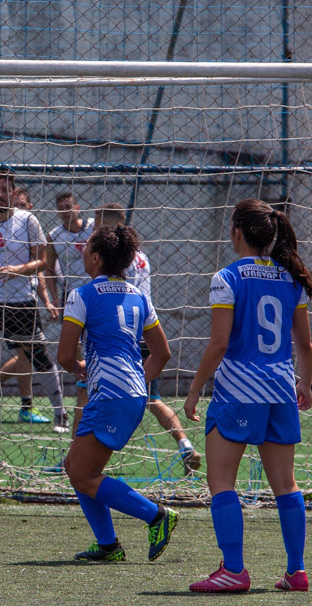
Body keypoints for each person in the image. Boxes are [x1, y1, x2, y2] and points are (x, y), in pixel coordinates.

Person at [184, 198, 312, 593]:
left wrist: (194, 390)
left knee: (222, 481)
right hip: (280, 390)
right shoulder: (292, 278)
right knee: (286, 486)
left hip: (239, 392)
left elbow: (219, 343)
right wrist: (304, 385)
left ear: (236, 232)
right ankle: (297, 572)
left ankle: (235, 571)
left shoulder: (227, 277)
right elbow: (305, 346)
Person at [58, 223, 179, 563]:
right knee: (76, 467)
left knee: (81, 474)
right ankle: (108, 545)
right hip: (132, 393)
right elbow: (162, 353)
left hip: (110, 395)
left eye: (85, 249)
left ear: (96, 257)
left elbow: (65, 356)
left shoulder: (81, 295)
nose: (82, 253)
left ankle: (156, 516)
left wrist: (79, 368)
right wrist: (136, 383)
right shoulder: (139, 295)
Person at [95, 203, 202, 475]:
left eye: (97, 220)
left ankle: (84, 455)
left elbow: (113, 294)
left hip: (120, 335)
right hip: (145, 330)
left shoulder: (115, 259)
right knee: (151, 399)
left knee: (92, 391)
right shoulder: (141, 256)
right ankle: (185, 444)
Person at [0, 171, 67, 430]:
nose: (0, 194)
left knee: (37, 357)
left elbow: (43, 261)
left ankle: (61, 413)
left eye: (5, 190)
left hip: (20, 301)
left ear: (13, 192)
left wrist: (17, 270)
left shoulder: (28, 221)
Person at [44, 190, 95, 431]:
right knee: (74, 345)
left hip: (97, 293)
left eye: (69, 206)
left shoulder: (94, 227)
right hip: (73, 297)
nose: (65, 211)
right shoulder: (54, 235)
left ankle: (95, 383)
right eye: (61, 208)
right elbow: (49, 268)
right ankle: (83, 383)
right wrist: (53, 297)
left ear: (78, 207)